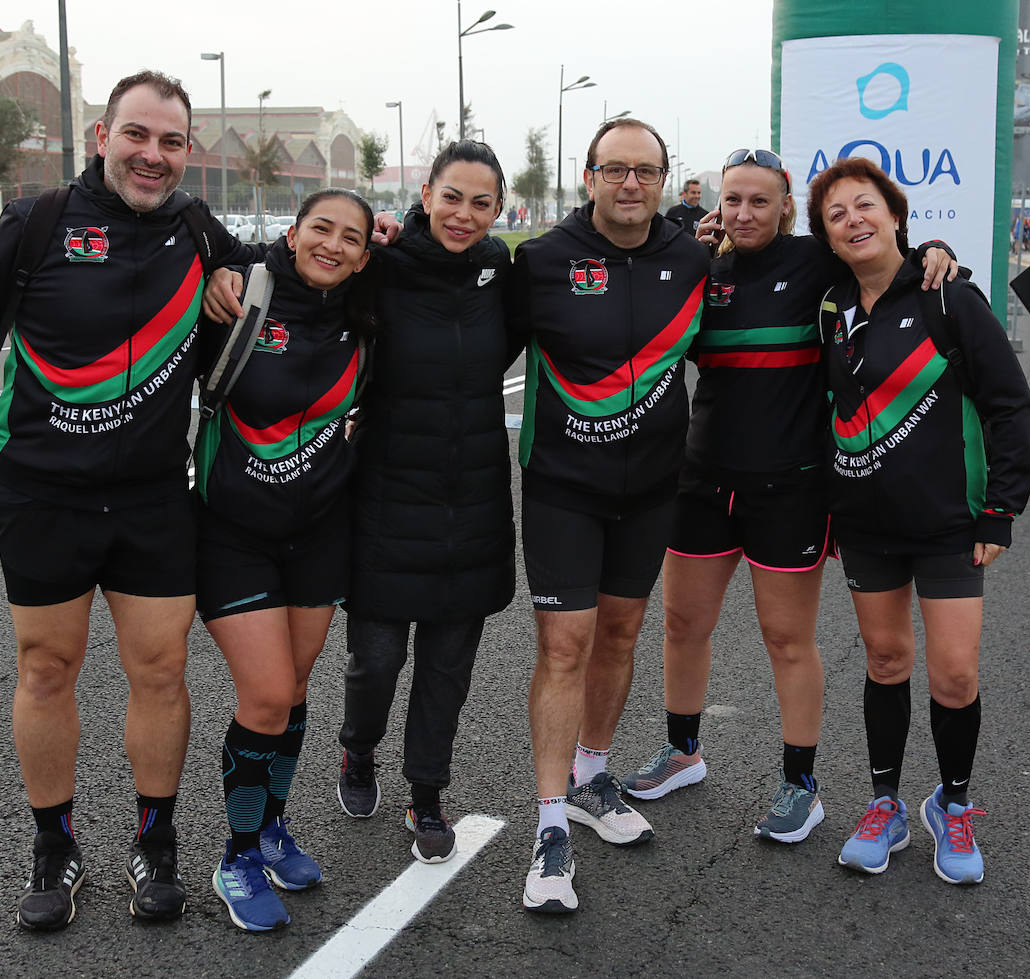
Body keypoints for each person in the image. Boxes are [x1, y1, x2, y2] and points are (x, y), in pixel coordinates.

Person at [0, 70, 258, 931]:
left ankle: (154, 841)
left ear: (187, 155)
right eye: (138, 135)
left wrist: (241, 269)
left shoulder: (199, 232)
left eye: (171, 142)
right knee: (47, 669)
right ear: (102, 137)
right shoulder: (40, 221)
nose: (153, 155)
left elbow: (283, 260)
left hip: (152, 499)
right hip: (43, 493)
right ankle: (54, 847)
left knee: (161, 670)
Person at [623, 150, 956, 845]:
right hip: (703, 482)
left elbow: (886, 262)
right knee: (683, 625)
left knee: (786, 639)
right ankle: (683, 750)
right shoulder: (700, 269)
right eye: (733, 200)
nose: (744, 213)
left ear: (783, 207)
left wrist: (937, 251)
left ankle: (801, 786)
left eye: (759, 201)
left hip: (793, 489)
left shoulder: (816, 265)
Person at [808, 157, 1030, 885]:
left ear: (897, 215)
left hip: (949, 525)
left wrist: (1000, 511)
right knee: (885, 662)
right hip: (866, 526)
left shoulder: (949, 296)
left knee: (956, 671)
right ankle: (885, 804)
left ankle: (953, 803)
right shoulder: (829, 308)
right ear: (827, 235)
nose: (853, 219)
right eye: (836, 213)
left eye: (865, 204)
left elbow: (1009, 406)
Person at [510, 118, 709, 913]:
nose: (632, 183)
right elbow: (454, 333)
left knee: (621, 634)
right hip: (563, 485)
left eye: (646, 170)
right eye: (615, 169)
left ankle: (594, 775)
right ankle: (550, 822)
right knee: (565, 645)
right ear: (588, 176)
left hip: (652, 489)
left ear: (665, 178)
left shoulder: (694, 259)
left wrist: (927, 259)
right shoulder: (540, 261)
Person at [195, 189, 375, 932]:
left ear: (368, 254)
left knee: (295, 688)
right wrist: (224, 267)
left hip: (321, 533)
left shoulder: (369, 314)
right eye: (320, 229)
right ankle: (236, 853)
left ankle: (271, 827)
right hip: (231, 532)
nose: (332, 245)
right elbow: (188, 232)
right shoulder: (241, 297)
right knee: (266, 694)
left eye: (351, 238)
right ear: (293, 232)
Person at [334, 141, 514, 867]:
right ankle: (357, 748)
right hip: (385, 491)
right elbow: (301, 279)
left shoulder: (501, 270)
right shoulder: (380, 265)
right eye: (452, 197)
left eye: (481, 202)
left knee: (447, 667)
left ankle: (427, 790)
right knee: (375, 657)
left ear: (499, 209)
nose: (464, 215)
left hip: (472, 497)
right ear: (426, 195)